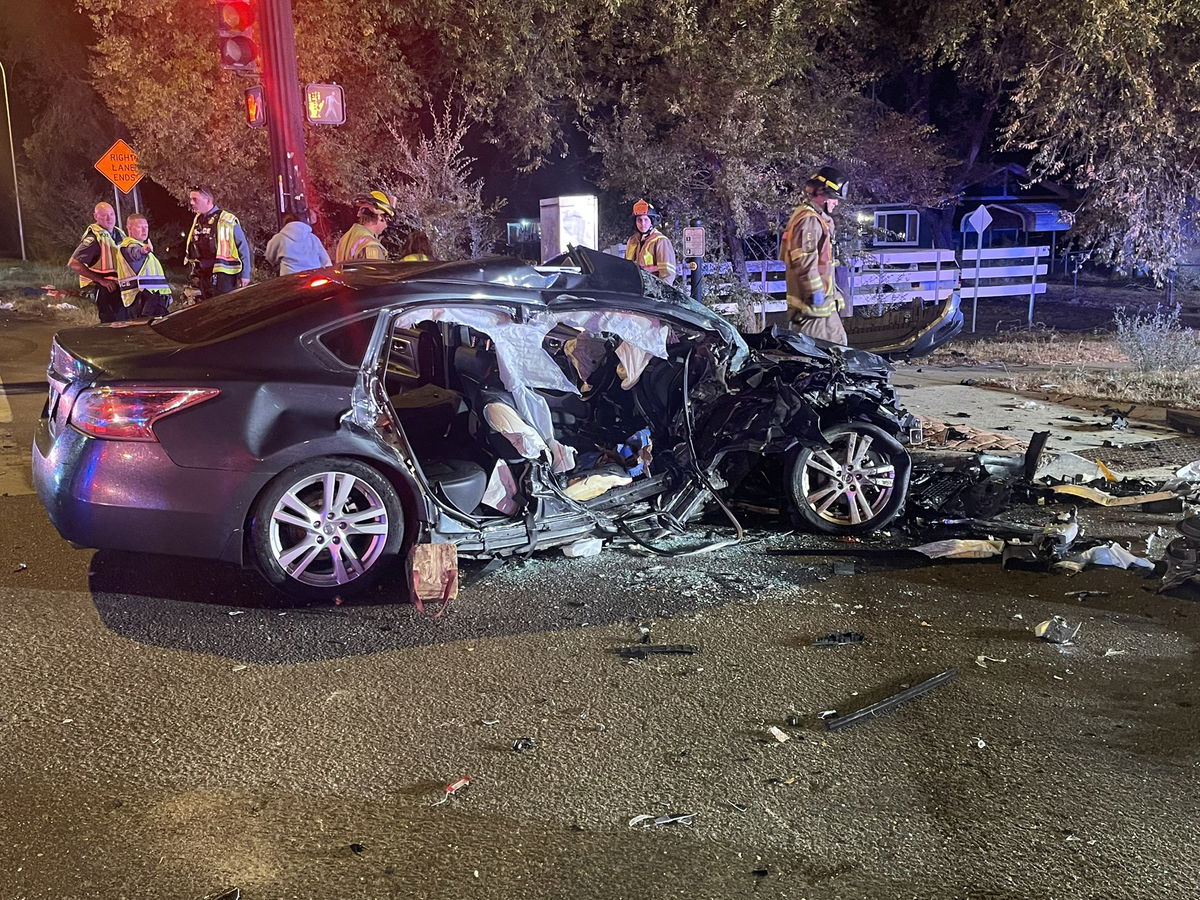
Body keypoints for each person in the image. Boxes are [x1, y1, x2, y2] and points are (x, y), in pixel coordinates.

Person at [780, 166, 850, 345]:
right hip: (813, 309)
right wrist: (816, 293)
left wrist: (832, 295)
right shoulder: (809, 220)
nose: (836, 203)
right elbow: (804, 261)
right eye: (834, 198)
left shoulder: (815, 218)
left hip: (816, 308)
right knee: (834, 348)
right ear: (821, 193)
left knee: (828, 348)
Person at [184, 187, 252, 299]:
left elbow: (243, 247)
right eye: (191, 199)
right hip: (203, 275)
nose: (191, 203)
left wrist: (245, 274)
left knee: (224, 307)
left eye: (195, 199)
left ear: (208, 201)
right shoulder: (198, 220)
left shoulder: (227, 219)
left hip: (224, 277)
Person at [67, 202, 127, 323]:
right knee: (110, 326)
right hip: (107, 290)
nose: (109, 218)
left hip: (122, 289)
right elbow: (73, 263)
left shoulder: (119, 234)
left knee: (125, 324)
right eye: (104, 215)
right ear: (95, 217)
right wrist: (100, 280)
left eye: (112, 214)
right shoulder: (94, 238)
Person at [115, 213, 172, 318]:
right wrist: (143, 250)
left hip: (151, 299)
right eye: (139, 227)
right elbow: (135, 253)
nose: (144, 230)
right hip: (144, 301)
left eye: (146, 227)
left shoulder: (139, 245)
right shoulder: (128, 245)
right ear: (129, 228)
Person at [624, 199, 678, 283]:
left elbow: (667, 276)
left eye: (646, 220)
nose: (643, 223)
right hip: (634, 288)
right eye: (639, 220)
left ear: (652, 221)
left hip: (652, 288)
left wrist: (660, 291)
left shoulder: (661, 241)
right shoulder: (632, 241)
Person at [335, 190, 394, 263]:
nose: (386, 226)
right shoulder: (371, 245)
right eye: (387, 220)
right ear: (380, 217)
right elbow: (374, 270)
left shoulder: (346, 238)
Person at [265, 210, 332, 275]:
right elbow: (325, 261)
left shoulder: (279, 238)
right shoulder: (312, 238)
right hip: (313, 276)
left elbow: (270, 257)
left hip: (290, 278)